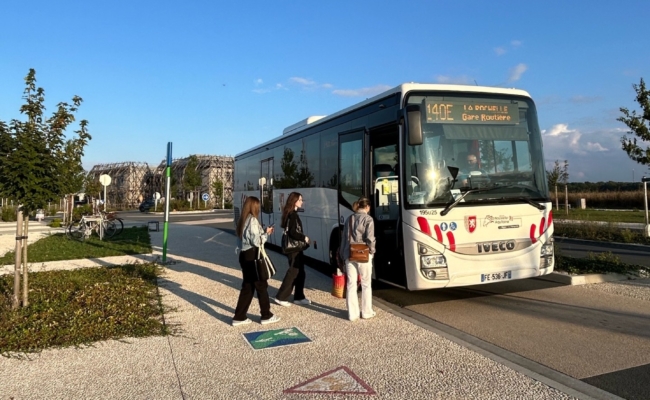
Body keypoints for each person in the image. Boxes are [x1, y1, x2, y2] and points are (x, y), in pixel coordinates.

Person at [232, 196, 280, 326]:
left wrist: (263, 231)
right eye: (258, 206)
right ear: (254, 207)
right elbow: (257, 241)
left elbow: (243, 239)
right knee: (261, 285)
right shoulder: (252, 220)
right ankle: (266, 315)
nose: (259, 209)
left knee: (248, 287)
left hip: (244, 255)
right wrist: (267, 233)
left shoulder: (242, 220)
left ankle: (239, 316)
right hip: (253, 256)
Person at [339, 196, 376, 321]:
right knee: (366, 284)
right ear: (367, 207)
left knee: (351, 284)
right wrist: (372, 251)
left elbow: (344, 238)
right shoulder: (368, 219)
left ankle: (352, 314)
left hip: (350, 253)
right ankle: (366, 312)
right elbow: (370, 239)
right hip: (364, 254)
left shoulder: (349, 219)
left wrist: (343, 255)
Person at [274, 192, 311, 306]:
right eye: (300, 200)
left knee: (300, 272)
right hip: (294, 248)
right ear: (294, 201)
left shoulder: (290, 213)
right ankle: (281, 296)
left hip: (294, 248)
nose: (301, 202)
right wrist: (304, 238)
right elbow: (293, 232)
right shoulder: (293, 215)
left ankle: (299, 297)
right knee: (293, 272)